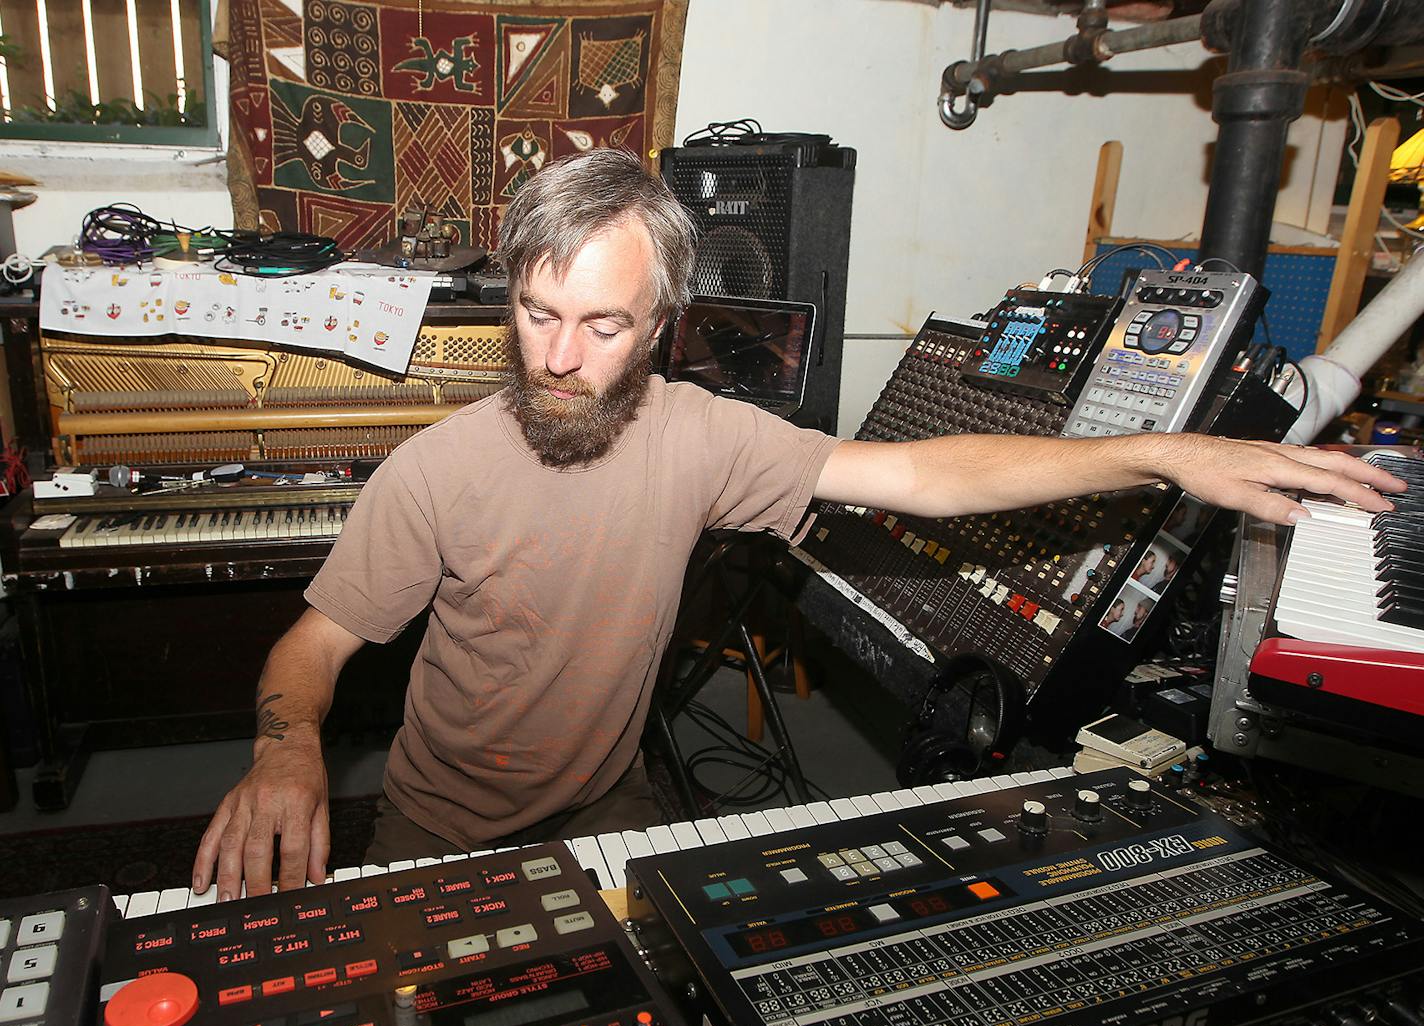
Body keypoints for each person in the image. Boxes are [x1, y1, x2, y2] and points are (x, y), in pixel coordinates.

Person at [191, 148, 1405, 901]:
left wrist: (1157, 447)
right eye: (535, 313)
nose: (558, 358)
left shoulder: (704, 436)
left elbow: (926, 475)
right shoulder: (437, 469)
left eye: (602, 326)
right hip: (440, 821)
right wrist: (288, 745)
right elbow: (315, 647)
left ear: (663, 325)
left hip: (610, 801)